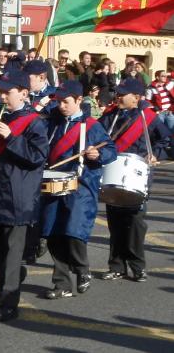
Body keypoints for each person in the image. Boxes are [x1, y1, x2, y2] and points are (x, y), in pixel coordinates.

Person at [0, 70, 48, 321]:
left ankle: (6, 304)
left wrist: (12, 137)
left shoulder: (35, 121)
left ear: (24, 93)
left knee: (11, 251)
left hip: (19, 193)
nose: (3, 96)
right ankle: (13, 274)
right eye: (1, 92)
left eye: (8, 92)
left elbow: (37, 157)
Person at [40, 81, 117, 299]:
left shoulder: (92, 125)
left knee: (73, 231)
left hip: (81, 184)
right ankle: (61, 283)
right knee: (53, 233)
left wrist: (97, 155)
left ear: (78, 101)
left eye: (66, 101)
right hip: (53, 184)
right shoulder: (51, 122)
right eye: (59, 102)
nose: (61, 106)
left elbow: (110, 148)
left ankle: (83, 270)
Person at [99, 78, 170, 282]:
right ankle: (116, 266)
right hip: (114, 173)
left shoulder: (148, 117)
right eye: (118, 93)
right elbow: (98, 136)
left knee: (136, 223)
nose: (118, 97)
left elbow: (165, 139)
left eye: (123, 94)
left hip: (138, 175)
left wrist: (155, 154)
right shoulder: (110, 116)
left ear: (136, 98)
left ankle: (138, 266)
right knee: (115, 222)